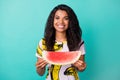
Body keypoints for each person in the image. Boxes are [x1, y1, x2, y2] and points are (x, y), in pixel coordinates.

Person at [35, 4, 86, 80]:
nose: (61, 22)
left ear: (70, 21)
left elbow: (80, 69)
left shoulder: (78, 41)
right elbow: (40, 73)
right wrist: (40, 67)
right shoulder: (43, 43)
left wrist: (82, 67)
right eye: (57, 18)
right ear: (52, 20)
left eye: (66, 18)